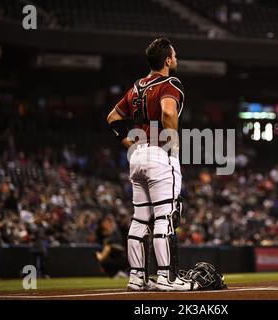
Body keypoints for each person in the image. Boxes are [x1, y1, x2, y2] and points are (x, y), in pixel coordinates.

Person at [106, 38, 195, 291]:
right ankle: (166, 277)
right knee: (165, 216)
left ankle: (136, 277)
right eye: (174, 56)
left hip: (137, 156)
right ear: (167, 60)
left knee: (140, 218)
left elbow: (112, 118)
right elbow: (168, 112)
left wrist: (130, 145)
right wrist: (172, 142)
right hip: (159, 152)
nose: (176, 60)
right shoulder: (170, 83)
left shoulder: (136, 87)